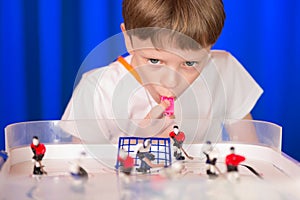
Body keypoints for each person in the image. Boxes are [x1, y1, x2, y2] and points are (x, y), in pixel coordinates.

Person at [61, 0, 263, 141]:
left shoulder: (224, 71)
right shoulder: (97, 90)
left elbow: (250, 157)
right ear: (129, 39)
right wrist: (141, 147)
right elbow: (83, 176)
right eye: (155, 60)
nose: (171, 81)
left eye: (190, 64)